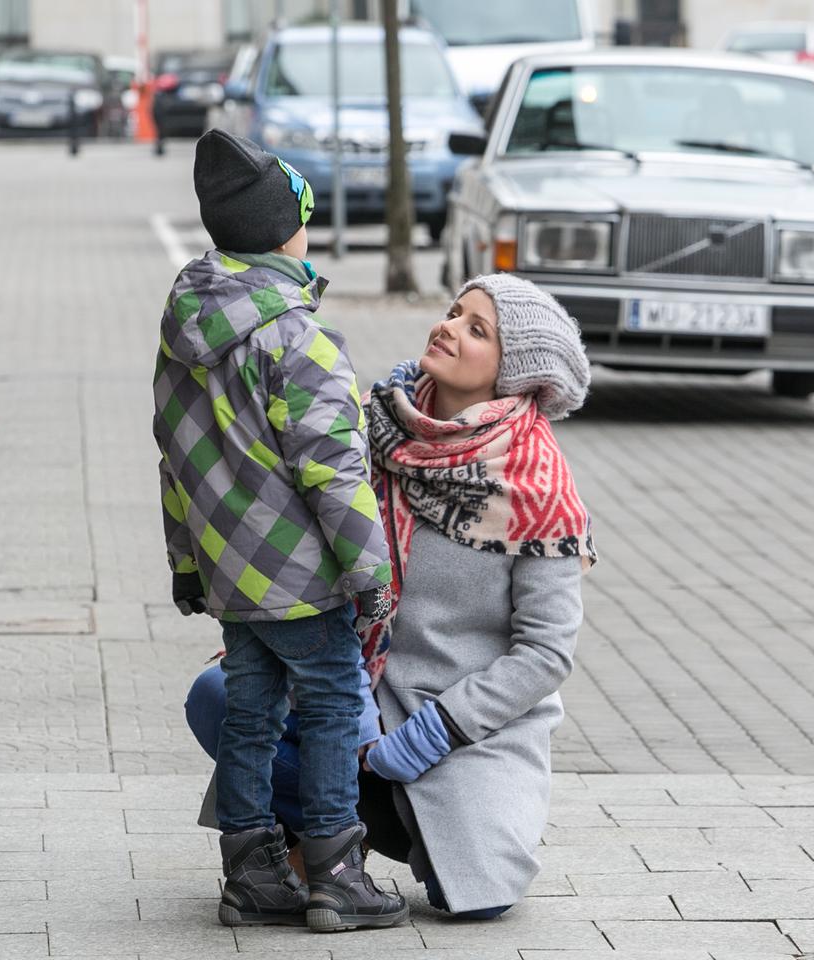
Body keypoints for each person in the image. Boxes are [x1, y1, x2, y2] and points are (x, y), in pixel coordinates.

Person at [187, 273, 596, 918]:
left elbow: (545, 655)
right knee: (220, 695)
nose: (448, 327)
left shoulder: (539, 487)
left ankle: (370, 832)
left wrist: (435, 729)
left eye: (475, 328)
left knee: (478, 903)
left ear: (513, 370)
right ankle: (327, 842)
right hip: (350, 701)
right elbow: (317, 557)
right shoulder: (375, 428)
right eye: (454, 312)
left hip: (462, 734)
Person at [153, 129, 407, 933]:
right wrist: (372, 574)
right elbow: (335, 470)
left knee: (251, 714)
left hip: (231, 571)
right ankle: (337, 873)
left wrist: (188, 567)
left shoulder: (184, 333)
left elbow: (175, 461)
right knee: (334, 703)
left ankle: (250, 873)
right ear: (284, 230)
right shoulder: (300, 338)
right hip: (301, 575)